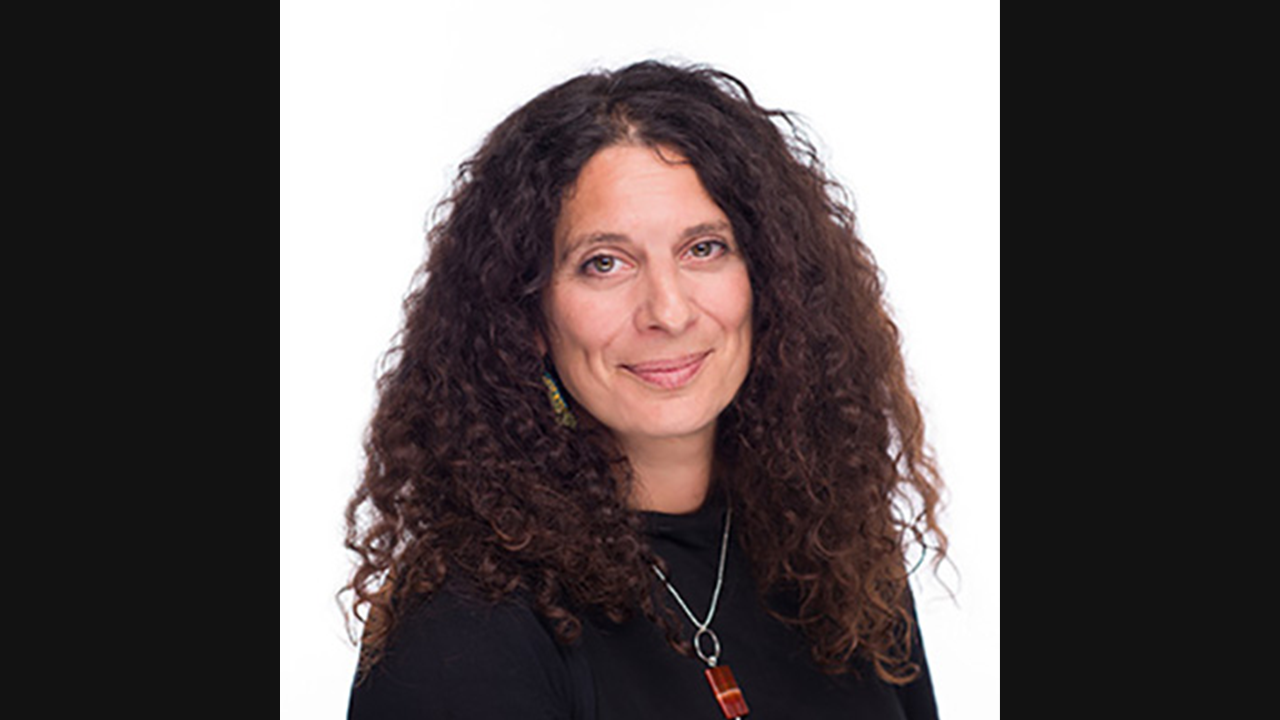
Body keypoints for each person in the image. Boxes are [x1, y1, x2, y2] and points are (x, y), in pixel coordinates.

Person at [342, 60, 947, 719]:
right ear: (529, 315)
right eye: (605, 263)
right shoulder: (464, 628)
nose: (668, 310)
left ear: (768, 278)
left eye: (705, 249)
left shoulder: (837, 552)